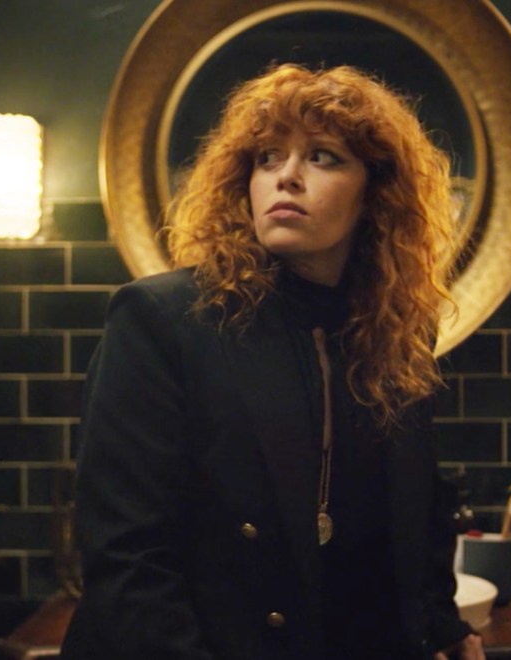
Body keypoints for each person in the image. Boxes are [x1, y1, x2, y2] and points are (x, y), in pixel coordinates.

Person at [60, 63, 485, 660]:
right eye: (267, 158)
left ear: (375, 193)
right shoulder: (162, 319)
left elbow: (418, 513)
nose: (286, 176)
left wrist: (442, 626)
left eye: (323, 157)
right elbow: (127, 556)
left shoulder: (395, 334)